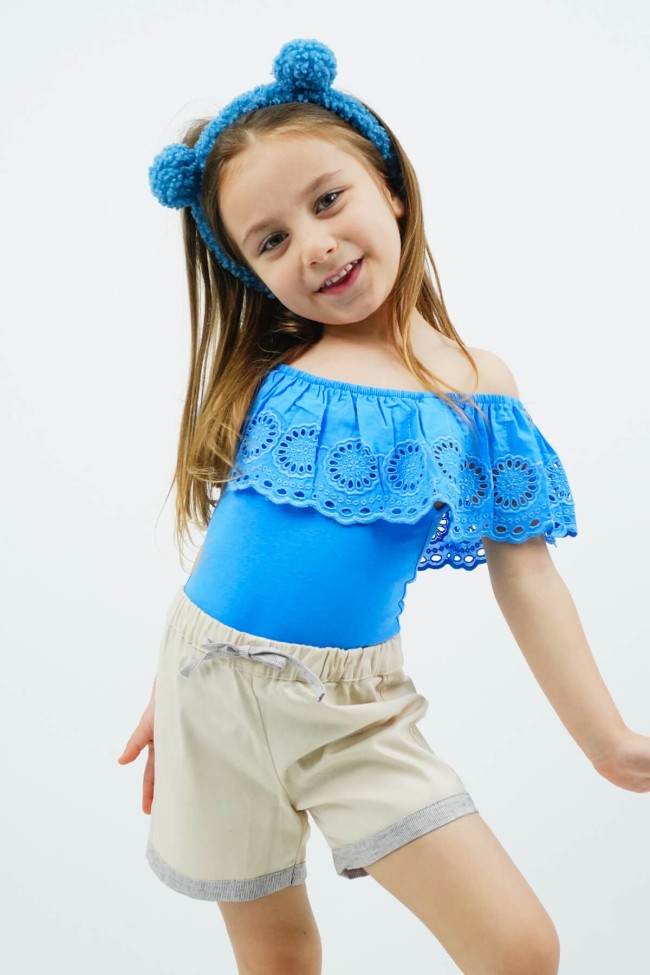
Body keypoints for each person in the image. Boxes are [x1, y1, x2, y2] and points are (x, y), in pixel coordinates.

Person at [117, 38, 650, 975]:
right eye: (272, 240)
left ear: (389, 185)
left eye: (327, 200)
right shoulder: (273, 375)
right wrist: (172, 684)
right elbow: (239, 543)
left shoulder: (477, 387)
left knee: (520, 948)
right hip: (206, 691)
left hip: (354, 712)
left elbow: (528, 576)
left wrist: (607, 741)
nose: (315, 244)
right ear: (250, 272)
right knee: (278, 954)